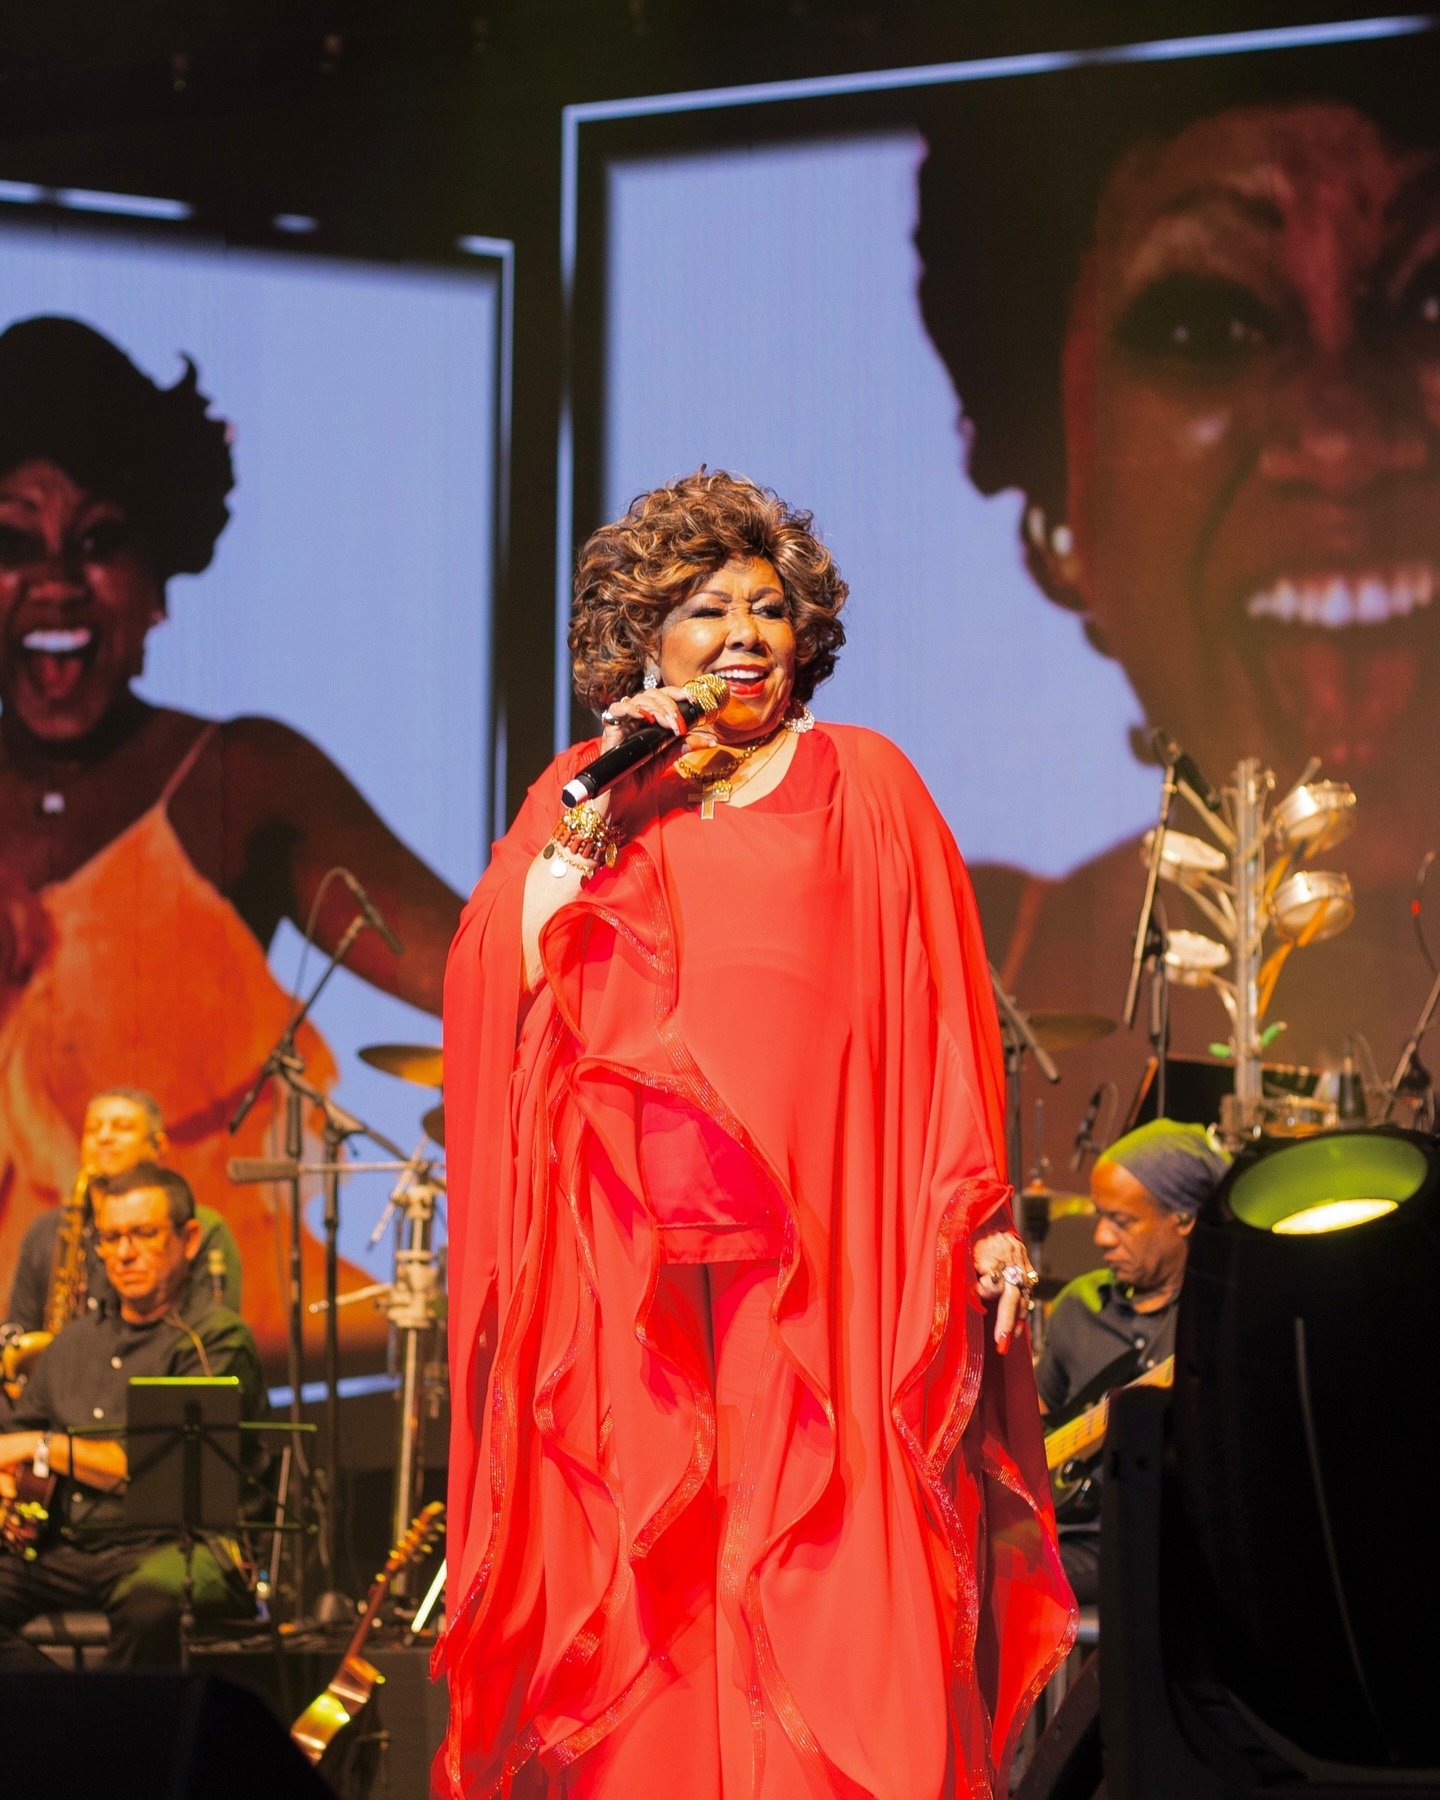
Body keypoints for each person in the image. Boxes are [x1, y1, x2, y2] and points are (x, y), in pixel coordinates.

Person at [436, 470, 1074, 1799]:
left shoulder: (866, 780)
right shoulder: (594, 789)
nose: (744, 634)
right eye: (708, 609)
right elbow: (505, 972)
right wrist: (595, 808)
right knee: (663, 1564)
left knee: (836, 1551)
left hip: (833, 1257)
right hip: (640, 1277)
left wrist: (980, 1217)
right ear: (646, 638)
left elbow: (942, 1015)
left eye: (768, 610)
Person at [915, 45, 1440, 1140]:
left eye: (1431, 305)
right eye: (1207, 328)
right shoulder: (960, 976)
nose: (1344, 439)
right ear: (1059, 510)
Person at [0, 315, 464, 1364]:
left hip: (208, 1381)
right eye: (12, 546)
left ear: (160, 573)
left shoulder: (242, 780)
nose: (58, 583)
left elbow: (488, 974)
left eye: (100, 541)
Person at [0, 1162, 265, 1666]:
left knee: (150, 1607)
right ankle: (60, 1705)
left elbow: (152, 1471)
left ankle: (108, 1715)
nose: (124, 1253)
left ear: (188, 1240)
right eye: (111, 1237)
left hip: (177, 1546)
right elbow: (14, 1437)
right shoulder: (73, 1342)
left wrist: (41, 1447)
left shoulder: (215, 1339)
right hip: (69, 1549)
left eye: (143, 1234)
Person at [1034, 1119, 1231, 1605]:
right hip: (1062, 1530)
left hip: (1155, 1545)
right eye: (1100, 1216)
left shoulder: (1215, 1319)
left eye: (1121, 1221)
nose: (1101, 1237)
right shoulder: (1080, 1306)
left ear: (1183, 1218)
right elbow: (1038, 1419)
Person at [5, 1087, 241, 1336]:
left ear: (157, 1146)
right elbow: (21, 1330)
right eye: (93, 1129)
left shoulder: (199, 1226)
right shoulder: (46, 1231)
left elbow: (215, 1333)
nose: (104, 1137)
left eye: (122, 1128)